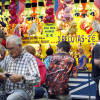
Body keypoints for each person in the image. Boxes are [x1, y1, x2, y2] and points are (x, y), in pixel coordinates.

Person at [0, 35, 41, 100]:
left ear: (19, 46)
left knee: (11, 98)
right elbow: (2, 71)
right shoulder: (8, 58)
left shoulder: (29, 58)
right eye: (8, 49)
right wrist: (1, 76)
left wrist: (21, 78)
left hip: (23, 91)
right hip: (6, 91)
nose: (9, 51)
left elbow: (36, 79)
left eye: (11, 48)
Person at [91, 35, 100, 100]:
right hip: (98, 74)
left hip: (97, 74)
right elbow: (97, 62)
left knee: (99, 91)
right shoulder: (98, 47)